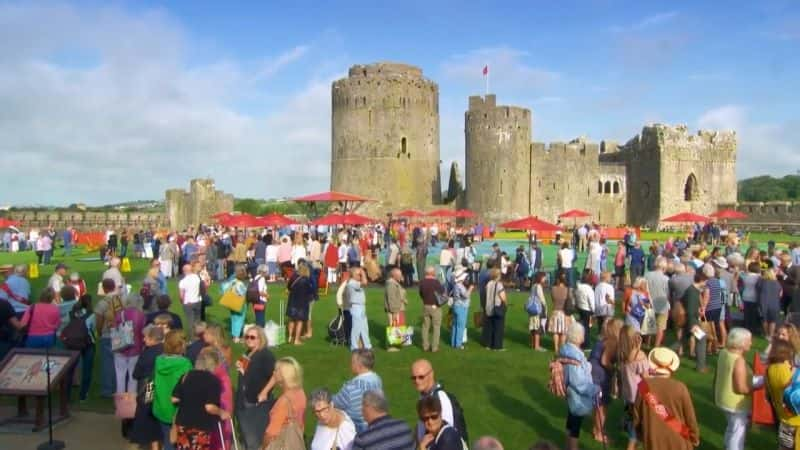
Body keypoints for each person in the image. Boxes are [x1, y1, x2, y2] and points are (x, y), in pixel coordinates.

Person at [633, 347, 700, 450]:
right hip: (678, 440)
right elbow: (690, 418)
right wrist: (694, 437)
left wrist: (641, 435)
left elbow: (636, 417)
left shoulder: (643, 386)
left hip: (653, 440)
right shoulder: (680, 388)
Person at [172, 348, 229, 450]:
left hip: (183, 423)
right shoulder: (213, 381)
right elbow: (209, 407)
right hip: (201, 426)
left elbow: (174, 399)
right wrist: (222, 413)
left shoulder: (186, 375)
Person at [235, 326, 276, 449]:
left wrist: (264, 392)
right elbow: (245, 375)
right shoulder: (247, 353)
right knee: (246, 434)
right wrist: (240, 367)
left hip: (256, 401)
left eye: (252, 337)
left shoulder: (265, 355)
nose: (249, 339)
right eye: (246, 337)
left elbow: (275, 376)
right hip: (244, 399)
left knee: (255, 436)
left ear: (260, 339)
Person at [559, 322, 598, 450]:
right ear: (578, 337)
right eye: (583, 335)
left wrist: (587, 366)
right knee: (575, 425)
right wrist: (594, 389)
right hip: (577, 395)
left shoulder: (567, 350)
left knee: (571, 422)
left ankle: (568, 446)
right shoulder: (574, 355)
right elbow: (578, 381)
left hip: (571, 392)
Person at [714, 327, 754, 450]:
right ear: (741, 343)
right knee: (737, 434)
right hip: (736, 404)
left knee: (732, 427)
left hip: (723, 398)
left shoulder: (724, 352)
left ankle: (727, 446)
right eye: (749, 341)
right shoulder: (738, 360)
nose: (751, 343)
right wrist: (756, 389)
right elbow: (741, 388)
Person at [152, 330, 192, 450]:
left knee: (167, 440)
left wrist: (148, 401)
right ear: (181, 345)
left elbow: (152, 381)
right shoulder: (185, 364)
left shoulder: (158, 360)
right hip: (177, 410)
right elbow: (189, 387)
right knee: (176, 442)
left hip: (160, 406)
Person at [411, 359, 465, 442]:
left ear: (431, 374)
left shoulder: (441, 399)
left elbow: (447, 434)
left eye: (421, 377)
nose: (417, 381)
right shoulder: (424, 396)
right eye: (413, 378)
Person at [129, 325, 165, 450]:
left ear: (152, 338)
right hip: (163, 388)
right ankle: (156, 444)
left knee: (145, 414)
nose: (143, 339)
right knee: (155, 415)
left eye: (145, 337)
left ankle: (139, 442)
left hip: (149, 386)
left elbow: (136, 373)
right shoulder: (165, 350)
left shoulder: (147, 353)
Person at [333, 349, 383, 433]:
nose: (350, 364)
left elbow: (335, 402)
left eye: (352, 362)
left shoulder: (352, 387)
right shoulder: (377, 379)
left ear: (359, 365)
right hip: (376, 425)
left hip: (357, 429)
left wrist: (326, 397)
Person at [262, 357, 307, 448]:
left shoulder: (283, 402)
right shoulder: (300, 392)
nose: (273, 373)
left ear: (284, 375)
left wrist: (263, 448)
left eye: (276, 371)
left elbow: (271, 434)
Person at [589, 318, 622, 444]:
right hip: (600, 377)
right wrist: (614, 369)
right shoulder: (611, 342)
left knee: (597, 405)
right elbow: (604, 361)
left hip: (592, 373)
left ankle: (596, 428)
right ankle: (599, 433)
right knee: (602, 407)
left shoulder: (602, 340)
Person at [618, 325, 651, 450]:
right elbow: (646, 378)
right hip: (640, 393)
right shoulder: (639, 355)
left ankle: (626, 424)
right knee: (639, 421)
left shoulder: (622, 354)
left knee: (632, 416)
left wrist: (638, 346)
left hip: (628, 394)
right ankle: (632, 445)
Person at [765, 339, 800, 450]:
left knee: (785, 446)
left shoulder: (770, 368)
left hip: (782, 415)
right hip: (793, 417)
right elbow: (790, 391)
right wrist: (794, 374)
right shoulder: (784, 370)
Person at [113, 294, 146, 396]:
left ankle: (120, 400)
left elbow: (115, 329)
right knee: (133, 377)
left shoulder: (120, 314)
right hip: (136, 349)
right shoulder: (141, 315)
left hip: (120, 347)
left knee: (120, 376)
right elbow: (142, 333)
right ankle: (131, 401)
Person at [287, 263, 315, 345]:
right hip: (302, 302)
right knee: (300, 321)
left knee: (291, 319)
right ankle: (296, 340)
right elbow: (311, 291)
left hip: (292, 300)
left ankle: (290, 337)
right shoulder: (306, 280)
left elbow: (288, 287)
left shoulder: (293, 277)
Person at [645, 256, 670, 347]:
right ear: (664, 267)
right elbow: (668, 294)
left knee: (650, 324)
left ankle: (647, 343)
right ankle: (656, 346)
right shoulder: (666, 279)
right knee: (660, 327)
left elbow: (644, 289)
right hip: (662, 303)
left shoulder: (647, 275)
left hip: (649, 302)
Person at [419, 266, 444, 353]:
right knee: (436, 327)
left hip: (426, 305)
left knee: (425, 327)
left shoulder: (422, 282)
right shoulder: (436, 282)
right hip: (435, 306)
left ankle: (425, 346)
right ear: (433, 273)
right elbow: (442, 293)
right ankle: (434, 347)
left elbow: (421, 294)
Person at [221, 265, 249, 343]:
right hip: (239, 304)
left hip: (231, 303)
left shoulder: (232, 281)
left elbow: (223, 288)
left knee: (233, 319)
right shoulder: (240, 284)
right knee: (239, 320)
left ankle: (234, 335)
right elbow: (242, 294)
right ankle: (236, 337)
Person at [347, 267, 371, 351]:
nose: (360, 276)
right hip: (356, 307)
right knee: (356, 328)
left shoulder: (355, 282)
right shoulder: (351, 282)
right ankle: (354, 347)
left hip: (361, 306)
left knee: (364, 327)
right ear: (353, 275)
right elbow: (365, 282)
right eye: (358, 274)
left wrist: (361, 273)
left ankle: (367, 346)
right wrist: (363, 272)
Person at [384, 268, 408, 351]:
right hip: (394, 309)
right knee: (393, 326)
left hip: (398, 308)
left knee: (398, 326)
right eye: (400, 275)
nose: (401, 276)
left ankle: (399, 343)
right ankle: (392, 346)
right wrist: (394, 311)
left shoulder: (395, 283)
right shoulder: (391, 284)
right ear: (394, 275)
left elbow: (399, 293)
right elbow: (391, 299)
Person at [484, 268, 507, 351]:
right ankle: (497, 346)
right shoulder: (499, 285)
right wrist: (505, 304)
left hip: (488, 307)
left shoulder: (488, 284)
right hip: (497, 308)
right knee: (498, 328)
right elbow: (503, 297)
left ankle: (488, 344)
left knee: (490, 327)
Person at [548, 271, 571, 353]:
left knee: (555, 332)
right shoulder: (567, 290)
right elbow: (569, 301)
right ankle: (562, 348)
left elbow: (553, 299)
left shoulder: (553, 289)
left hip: (555, 311)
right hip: (563, 312)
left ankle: (556, 348)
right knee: (563, 332)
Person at [450, 266, 472, 350]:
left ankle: (454, 343)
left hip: (456, 306)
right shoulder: (460, 285)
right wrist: (470, 288)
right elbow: (466, 295)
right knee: (460, 326)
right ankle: (458, 344)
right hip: (461, 307)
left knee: (455, 325)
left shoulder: (456, 284)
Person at [178, 263, 202, 334]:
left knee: (190, 321)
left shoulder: (183, 281)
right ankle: (199, 336)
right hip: (198, 301)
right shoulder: (197, 277)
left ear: (184, 271)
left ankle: (192, 338)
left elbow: (181, 296)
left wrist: (182, 301)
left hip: (188, 303)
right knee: (197, 321)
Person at [759, 268, 783, 339]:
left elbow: (757, 290)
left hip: (763, 302)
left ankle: (766, 334)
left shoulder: (761, 282)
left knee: (764, 319)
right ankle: (771, 335)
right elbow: (780, 294)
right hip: (775, 303)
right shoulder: (777, 283)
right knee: (773, 320)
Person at [574, 270, 595, 349]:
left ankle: (582, 343)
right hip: (587, 310)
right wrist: (594, 312)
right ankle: (586, 345)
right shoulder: (589, 289)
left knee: (583, 326)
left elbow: (575, 297)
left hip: (580, 308)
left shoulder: (579, 287)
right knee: (587, 328)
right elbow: (591, 302)